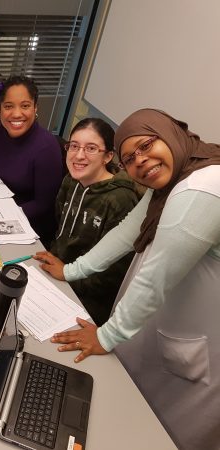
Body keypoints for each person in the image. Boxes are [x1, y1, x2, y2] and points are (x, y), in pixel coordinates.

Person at [34, 109, 220, 450]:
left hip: (206, 332)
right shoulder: (179, 174)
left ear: (170, 134)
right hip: (168, 317)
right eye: (130, 157)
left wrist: (107, 335)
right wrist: (72, 270)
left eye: (148, 145)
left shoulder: (202, 188)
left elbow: (154, 279)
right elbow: (127, 232)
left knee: (168, 431)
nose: (141, 161)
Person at [47, 118, 140, 325]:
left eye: (91, 148)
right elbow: (59, 228)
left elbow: (113, 274)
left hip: (88, 300)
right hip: (58, 276)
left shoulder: (121, 200)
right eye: (74, 146)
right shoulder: (72, 180)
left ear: (108, 156)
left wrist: (66, 274)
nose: (79, 155)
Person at [0, 75, 63, 246]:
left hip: (29, 225)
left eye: (25, 106)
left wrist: (2, 214)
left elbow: (43, 204)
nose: (17, 114)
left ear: (35, 108)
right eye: (8, 106)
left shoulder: (46, 147)